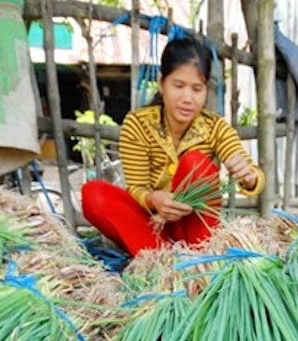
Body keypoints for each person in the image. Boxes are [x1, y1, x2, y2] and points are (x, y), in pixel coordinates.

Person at [81, 36, 264, 256]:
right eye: (178, 85)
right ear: (161, 83)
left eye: (197, 89)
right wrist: (153, 199)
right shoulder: (138, 124)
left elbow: (254, 175)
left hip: (196, 232)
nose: (187, 98)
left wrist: (249, 176)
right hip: (152, 227)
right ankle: (160, 260)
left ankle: (199, 258)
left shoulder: (215, 128)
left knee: (195, 163)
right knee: (93, 194)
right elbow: (137, 188)